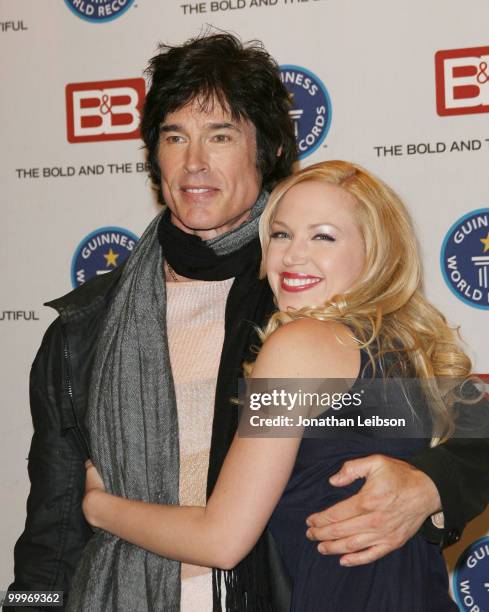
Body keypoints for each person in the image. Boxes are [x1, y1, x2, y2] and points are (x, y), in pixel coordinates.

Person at [5, 33, 489, 611]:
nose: (194, 162)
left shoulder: (303, 303)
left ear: (265, 153)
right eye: (174, 136)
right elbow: (52, 517)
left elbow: (469, 423)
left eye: (221, 135)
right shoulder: (87, 326)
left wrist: (429, 485)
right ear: (153, 156)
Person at [81, 159, 478, 611]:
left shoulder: (299, 346)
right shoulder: (406, 349)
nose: (293, 255)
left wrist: (100, 507)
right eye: (281, 234)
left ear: (377, 252)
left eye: (323, 236)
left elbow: (222, 539)